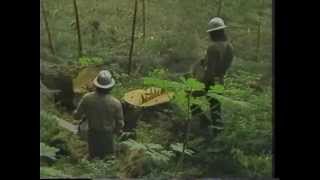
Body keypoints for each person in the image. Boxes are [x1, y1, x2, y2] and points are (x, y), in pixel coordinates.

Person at [191, 17, 234, 137]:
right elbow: (222, 65)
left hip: (210, 82)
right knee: (216, 110)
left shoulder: (212, 48)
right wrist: (204, 61)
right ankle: (218, 136)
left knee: (190, 98)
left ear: (213, 33)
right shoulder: (230, 47)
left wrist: (201, 85)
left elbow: (210, 71)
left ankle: (205, 123)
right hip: (220, 81)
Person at [73, 70, 125, 159]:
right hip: (108, 137)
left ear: (96, 85)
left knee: (93, 157)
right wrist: (115, 132)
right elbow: (120, 124)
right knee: (108, 159)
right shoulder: (116, 103)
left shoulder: (87, 98)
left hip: (92, 136)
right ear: (110, 87)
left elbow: (76, 116)